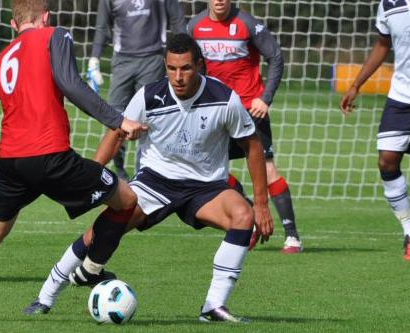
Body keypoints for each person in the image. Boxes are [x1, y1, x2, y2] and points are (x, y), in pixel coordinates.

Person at [0, 0, 147, 320]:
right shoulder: (55, 35)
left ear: (13, 25)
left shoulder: (0, 61)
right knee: (127, 199)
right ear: (46, 17)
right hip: (51, 157)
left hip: (10, 164)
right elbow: (70, 83)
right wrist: (117, 120)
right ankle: (92, 270)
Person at [24, 33, 274, 322]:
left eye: (186, 68)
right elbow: (116, 135)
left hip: (206, 187)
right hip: (155, 183)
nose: (178, 77)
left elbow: (252, 145)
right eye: (171, 68)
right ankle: (46, 296)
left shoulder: (223, 99)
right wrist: (92, 174)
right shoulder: (148, 96)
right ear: (165, 66)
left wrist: (261, 204)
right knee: (101, 230)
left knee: (243, 215)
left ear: (200, 66)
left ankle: (213, 307)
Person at [187, 0, 301, 253]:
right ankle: (250, 214)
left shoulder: (248, 24)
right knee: (208, 170)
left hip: (250, 109)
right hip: (215, 110)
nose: (219, 1)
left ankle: (292, 236)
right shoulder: (194, 26)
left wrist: (266, 97)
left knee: (268, 169)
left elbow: (276, 56)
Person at [340, 0, 410, 262]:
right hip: (401, 97)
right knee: (386, 161)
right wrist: (356, 85)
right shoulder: (388, 5)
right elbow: (382, 45)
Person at [87, 0, 186, 180]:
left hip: (153, 59)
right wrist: (94, 58)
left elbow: (178, 21)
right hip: (122, 62)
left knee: (151, 120)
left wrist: (186, 52)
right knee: (115, 119)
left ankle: (146, 173)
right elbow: (103, 27)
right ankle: (119, 171)